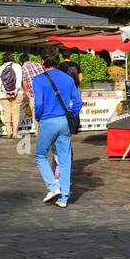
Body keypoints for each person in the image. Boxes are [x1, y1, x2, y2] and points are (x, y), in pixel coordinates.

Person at [31, 47, 82, 208]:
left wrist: (38, 117)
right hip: (64, 122)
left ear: (42, 62)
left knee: (40, 155)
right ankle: (64, 198)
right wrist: (71, 114)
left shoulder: (38, 79)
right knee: (65, 160)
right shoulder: (67, 78)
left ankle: (53, 187)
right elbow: (78, 102)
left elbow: (38, 104)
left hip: (48, 120)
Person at [0, 52, 23, 138]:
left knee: (6, 112)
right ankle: (15, 133)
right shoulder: (17, 66)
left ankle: (8, 133)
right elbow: (19, 78)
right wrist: (16, 89)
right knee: (15, 112)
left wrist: (5, 91)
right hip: (17, 93)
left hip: (3, 94)